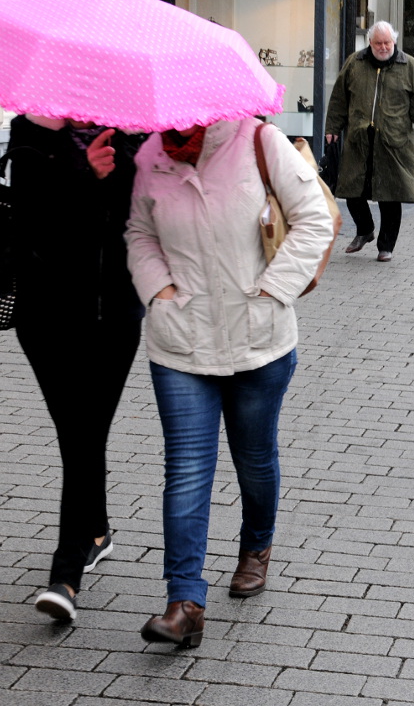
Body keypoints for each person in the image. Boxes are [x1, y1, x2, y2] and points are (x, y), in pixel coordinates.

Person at [126, 117, 334, 648]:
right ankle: (184, 603)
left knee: (254, 459)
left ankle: (256, 547)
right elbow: (140, 234)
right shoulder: (151, 156)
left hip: (258, 340)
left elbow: (314, 219)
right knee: (187, 469)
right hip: (180, 341)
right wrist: (158, 291)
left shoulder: (259, 141)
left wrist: (273, 290)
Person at [9, 114, 147, 621]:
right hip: (45, 315)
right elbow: (30, 220)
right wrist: (83, 174)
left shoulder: (138, 136)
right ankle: (90, 540)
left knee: (85, 432)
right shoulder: (30, 132)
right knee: (79, 432)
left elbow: (145, 221)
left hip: (114, 315)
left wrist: (118, 170)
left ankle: (68, 571)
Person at [325, 21, 414, 262]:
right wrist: (333, 127)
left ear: (394, 41)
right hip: (359, 139)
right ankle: (365, 230)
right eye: (378, 43)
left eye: (387, 43)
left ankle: (386, 246)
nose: (383, 47)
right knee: (350, 189)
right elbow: (339, 98)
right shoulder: (355, 63)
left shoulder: (410, 66)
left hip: (394, 141)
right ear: (370, 43)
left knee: (390, 194)